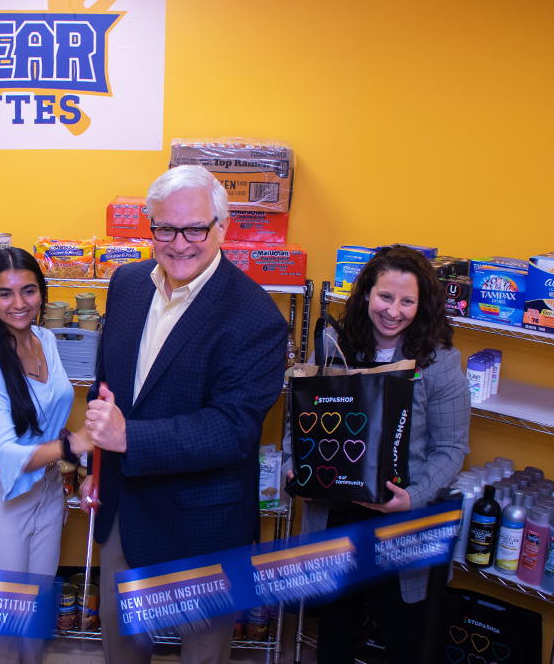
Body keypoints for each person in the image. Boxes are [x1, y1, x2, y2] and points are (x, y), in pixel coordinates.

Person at [80, 165, 288, 663]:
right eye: (164, 228)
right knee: (122, 647)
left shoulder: (258, 317)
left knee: (203, 653)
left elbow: (233, 428)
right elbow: (105, 385)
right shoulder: (127, 284)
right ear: (148, 225)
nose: (179, 243)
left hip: (203, 523)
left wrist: (129, 438)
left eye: (195, 228)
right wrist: (95, 468)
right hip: (124, 511)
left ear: (223, 226)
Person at [291, 245, 470, 663]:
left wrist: (415, 496)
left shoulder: (440, 362)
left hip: (397, 523)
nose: (394, 311)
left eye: (407, 301)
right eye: (385, 297)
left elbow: (452, 448)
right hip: (334, 517)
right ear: (367, 294)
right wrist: (292, 466)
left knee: (402, 636)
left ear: (422, 305)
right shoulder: (332, 347)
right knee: (334, 635)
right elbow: (297, 423)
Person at [0, 247, 92, 664]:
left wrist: (73, 467)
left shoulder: (46, 339)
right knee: (4, 616)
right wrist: (76, 445)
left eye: (29, 290)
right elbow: (7, 455)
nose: (19, 304)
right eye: (5, 294)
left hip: (47, 488)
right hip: (0, 496)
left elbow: (52, 418)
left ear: (42, 293)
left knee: (36, 608)